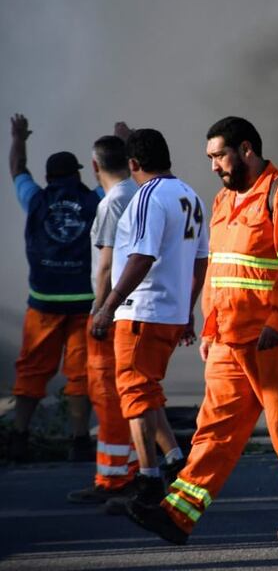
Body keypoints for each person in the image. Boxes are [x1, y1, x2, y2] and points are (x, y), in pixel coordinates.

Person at [126, 116, 278, 545]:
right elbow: (218, 270)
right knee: (214, 431)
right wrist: (209, 328)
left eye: (219, 155)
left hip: (271, 339)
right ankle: (177, 515)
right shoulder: (224, 200)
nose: (213, 166)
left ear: (246, 149)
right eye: (210, 158)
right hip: (227, 338)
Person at [89, 128, 208, 508]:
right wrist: (187, 309)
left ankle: (148, 480)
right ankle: (175, 461)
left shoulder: (147, 197)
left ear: (133, 163)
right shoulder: (190, 196)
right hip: (170, 312)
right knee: (148, 389)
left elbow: (141, 257)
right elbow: (201, 261)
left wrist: (108, 305)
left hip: (142, 310)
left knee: (136, 394)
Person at [7, 113, 100, 462]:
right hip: (84, 303)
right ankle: (79, 441)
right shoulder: (96, 200)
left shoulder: (34, 199)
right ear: (77, 174)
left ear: (48, 178)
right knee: (80, 374)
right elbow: (116, 177)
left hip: (43, 302)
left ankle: (18, 438)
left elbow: (17, 169)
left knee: (31, 369)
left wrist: (19, 139)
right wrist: (122, 142)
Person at [67, 124, 142, 504]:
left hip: (111, 312)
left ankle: (114, 479)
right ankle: (135, 470)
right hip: (133, 309)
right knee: (129, 393)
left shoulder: (112, 202)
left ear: (95, 166)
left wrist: (100, 309)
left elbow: (107, 265)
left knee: (107, 394)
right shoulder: (139, 192)